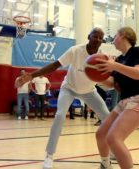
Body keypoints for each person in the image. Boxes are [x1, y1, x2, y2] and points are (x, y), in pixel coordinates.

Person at [18, 27, 110, 169]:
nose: (97, 39)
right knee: (60, 115)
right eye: (94, 36)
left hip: (89, 91)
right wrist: (32, 75)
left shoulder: (103, 57)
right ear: (88, 36)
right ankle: (49, 155)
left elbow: (108, 77)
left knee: (108, 118)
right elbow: (55, 66)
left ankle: (112, 151)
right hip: (69, 88)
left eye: (100, 37)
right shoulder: (75, 51)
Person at [95, 26, 139, 169]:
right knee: (101, 134)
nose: (113, 39)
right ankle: (105, 165)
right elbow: (112, 84)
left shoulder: (137, 51)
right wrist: (93, 77)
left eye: (115, 35)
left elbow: (138, 73)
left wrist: (114, 65)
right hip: (125, 101)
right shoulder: (120, 59)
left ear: (123, 35)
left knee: (113, 138)